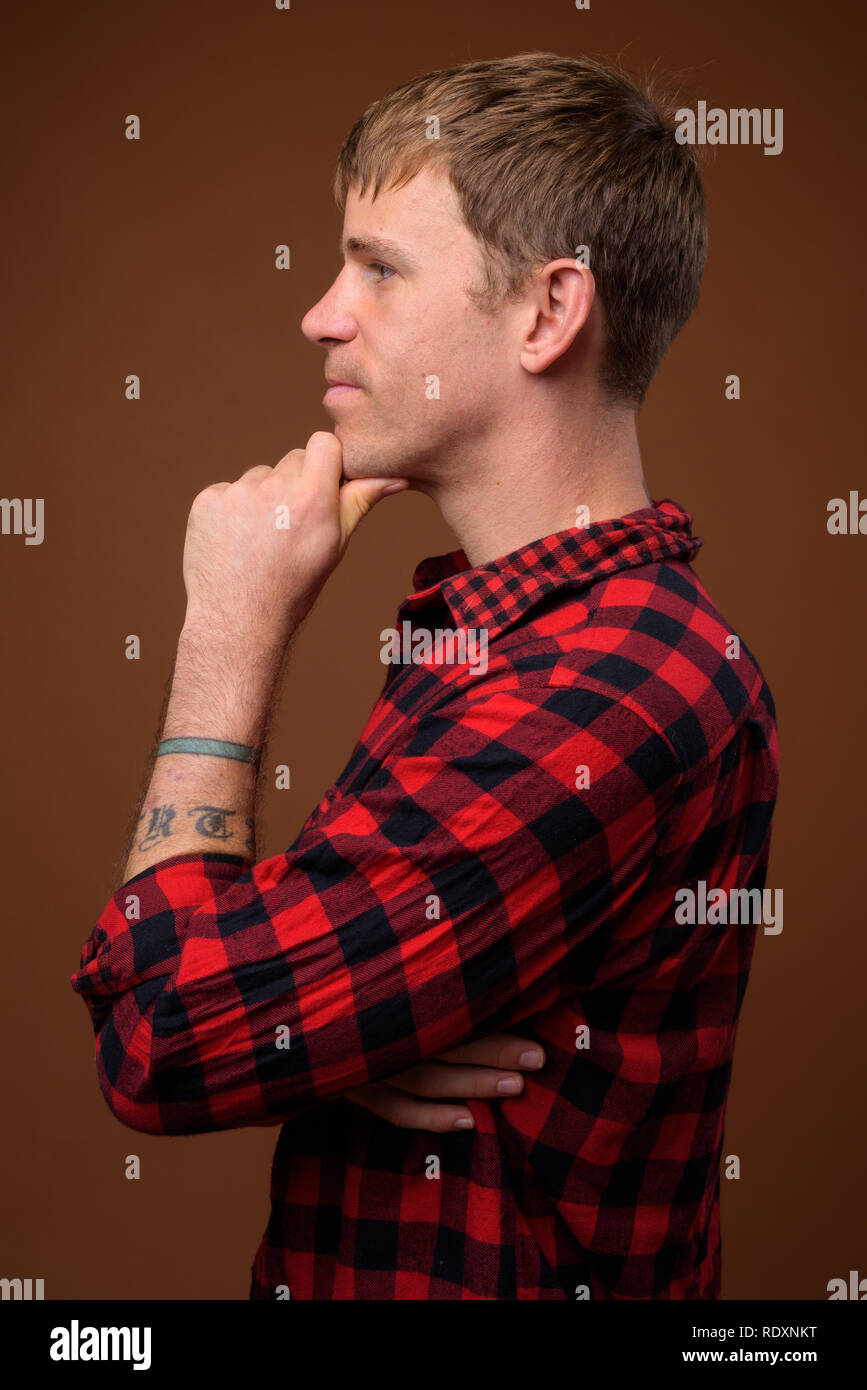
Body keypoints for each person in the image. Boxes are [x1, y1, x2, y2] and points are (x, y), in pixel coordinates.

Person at [71, 51, 778, 1300]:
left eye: (381, 268)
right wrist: (344, 1034)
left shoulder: (604, 685)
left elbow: (163, 1035)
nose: (322, 313)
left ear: (549, 313)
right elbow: (260, 972)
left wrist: (226, 636)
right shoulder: (511, 635)